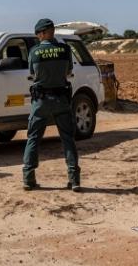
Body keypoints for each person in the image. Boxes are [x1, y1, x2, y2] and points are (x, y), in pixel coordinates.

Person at [22, 18, 81, 192]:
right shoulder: (64, 50)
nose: (38, 37)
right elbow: (69, 71)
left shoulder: (34, 52)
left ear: (43, 33)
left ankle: (28, 178)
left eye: (38, 34)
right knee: (68, 139)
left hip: (41, 101)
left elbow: (32, 74)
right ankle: (74, 180)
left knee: (33, 138)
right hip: (62, 100)